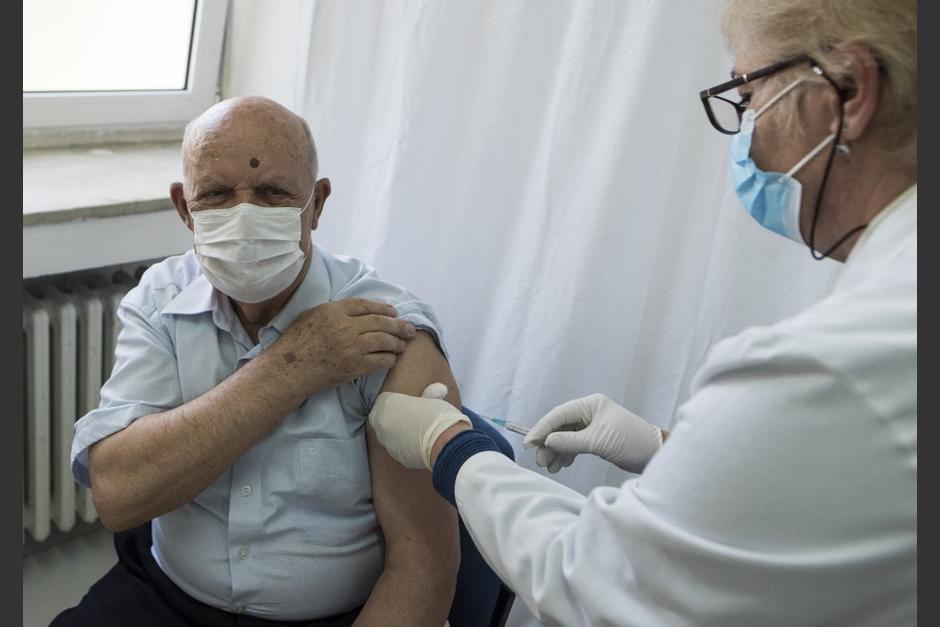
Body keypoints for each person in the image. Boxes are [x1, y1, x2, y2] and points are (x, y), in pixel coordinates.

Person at [368, 0, 916, 624]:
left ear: (848, 88)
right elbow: (848, 492)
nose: (750, 139)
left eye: (750, 96)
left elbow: (595, 581)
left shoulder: (839, 358)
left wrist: (452, 447)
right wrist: (666, 449)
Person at [56, 96, 463, 626]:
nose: (244, 216)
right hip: (164, 594)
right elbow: (118, 497)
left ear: (316, 204)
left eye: (272, 192)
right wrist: (290, 367)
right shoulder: (161, 301)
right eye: (218, 194)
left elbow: (424, 567)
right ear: (185, 208)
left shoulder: (388, 329)